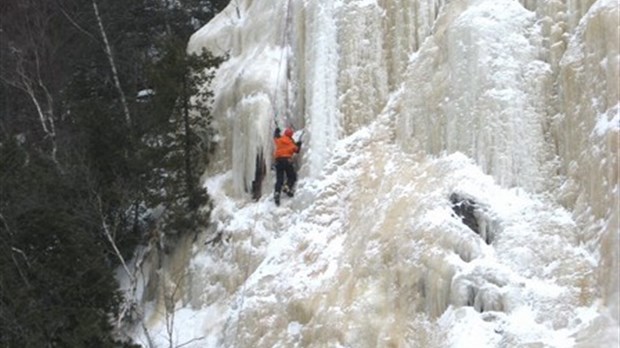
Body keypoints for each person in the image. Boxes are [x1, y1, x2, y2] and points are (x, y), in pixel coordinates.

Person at [273, 127, 301, 205]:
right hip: (287, 160)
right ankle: (287, 186)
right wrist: (299, 144)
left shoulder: (279, 139)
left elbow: (275, 137)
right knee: (292, 176)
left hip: (278, 161)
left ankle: (277, 193)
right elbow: (297, 150)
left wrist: (276, 131)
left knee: (279, 179)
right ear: (291, 135)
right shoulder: (291, 142)